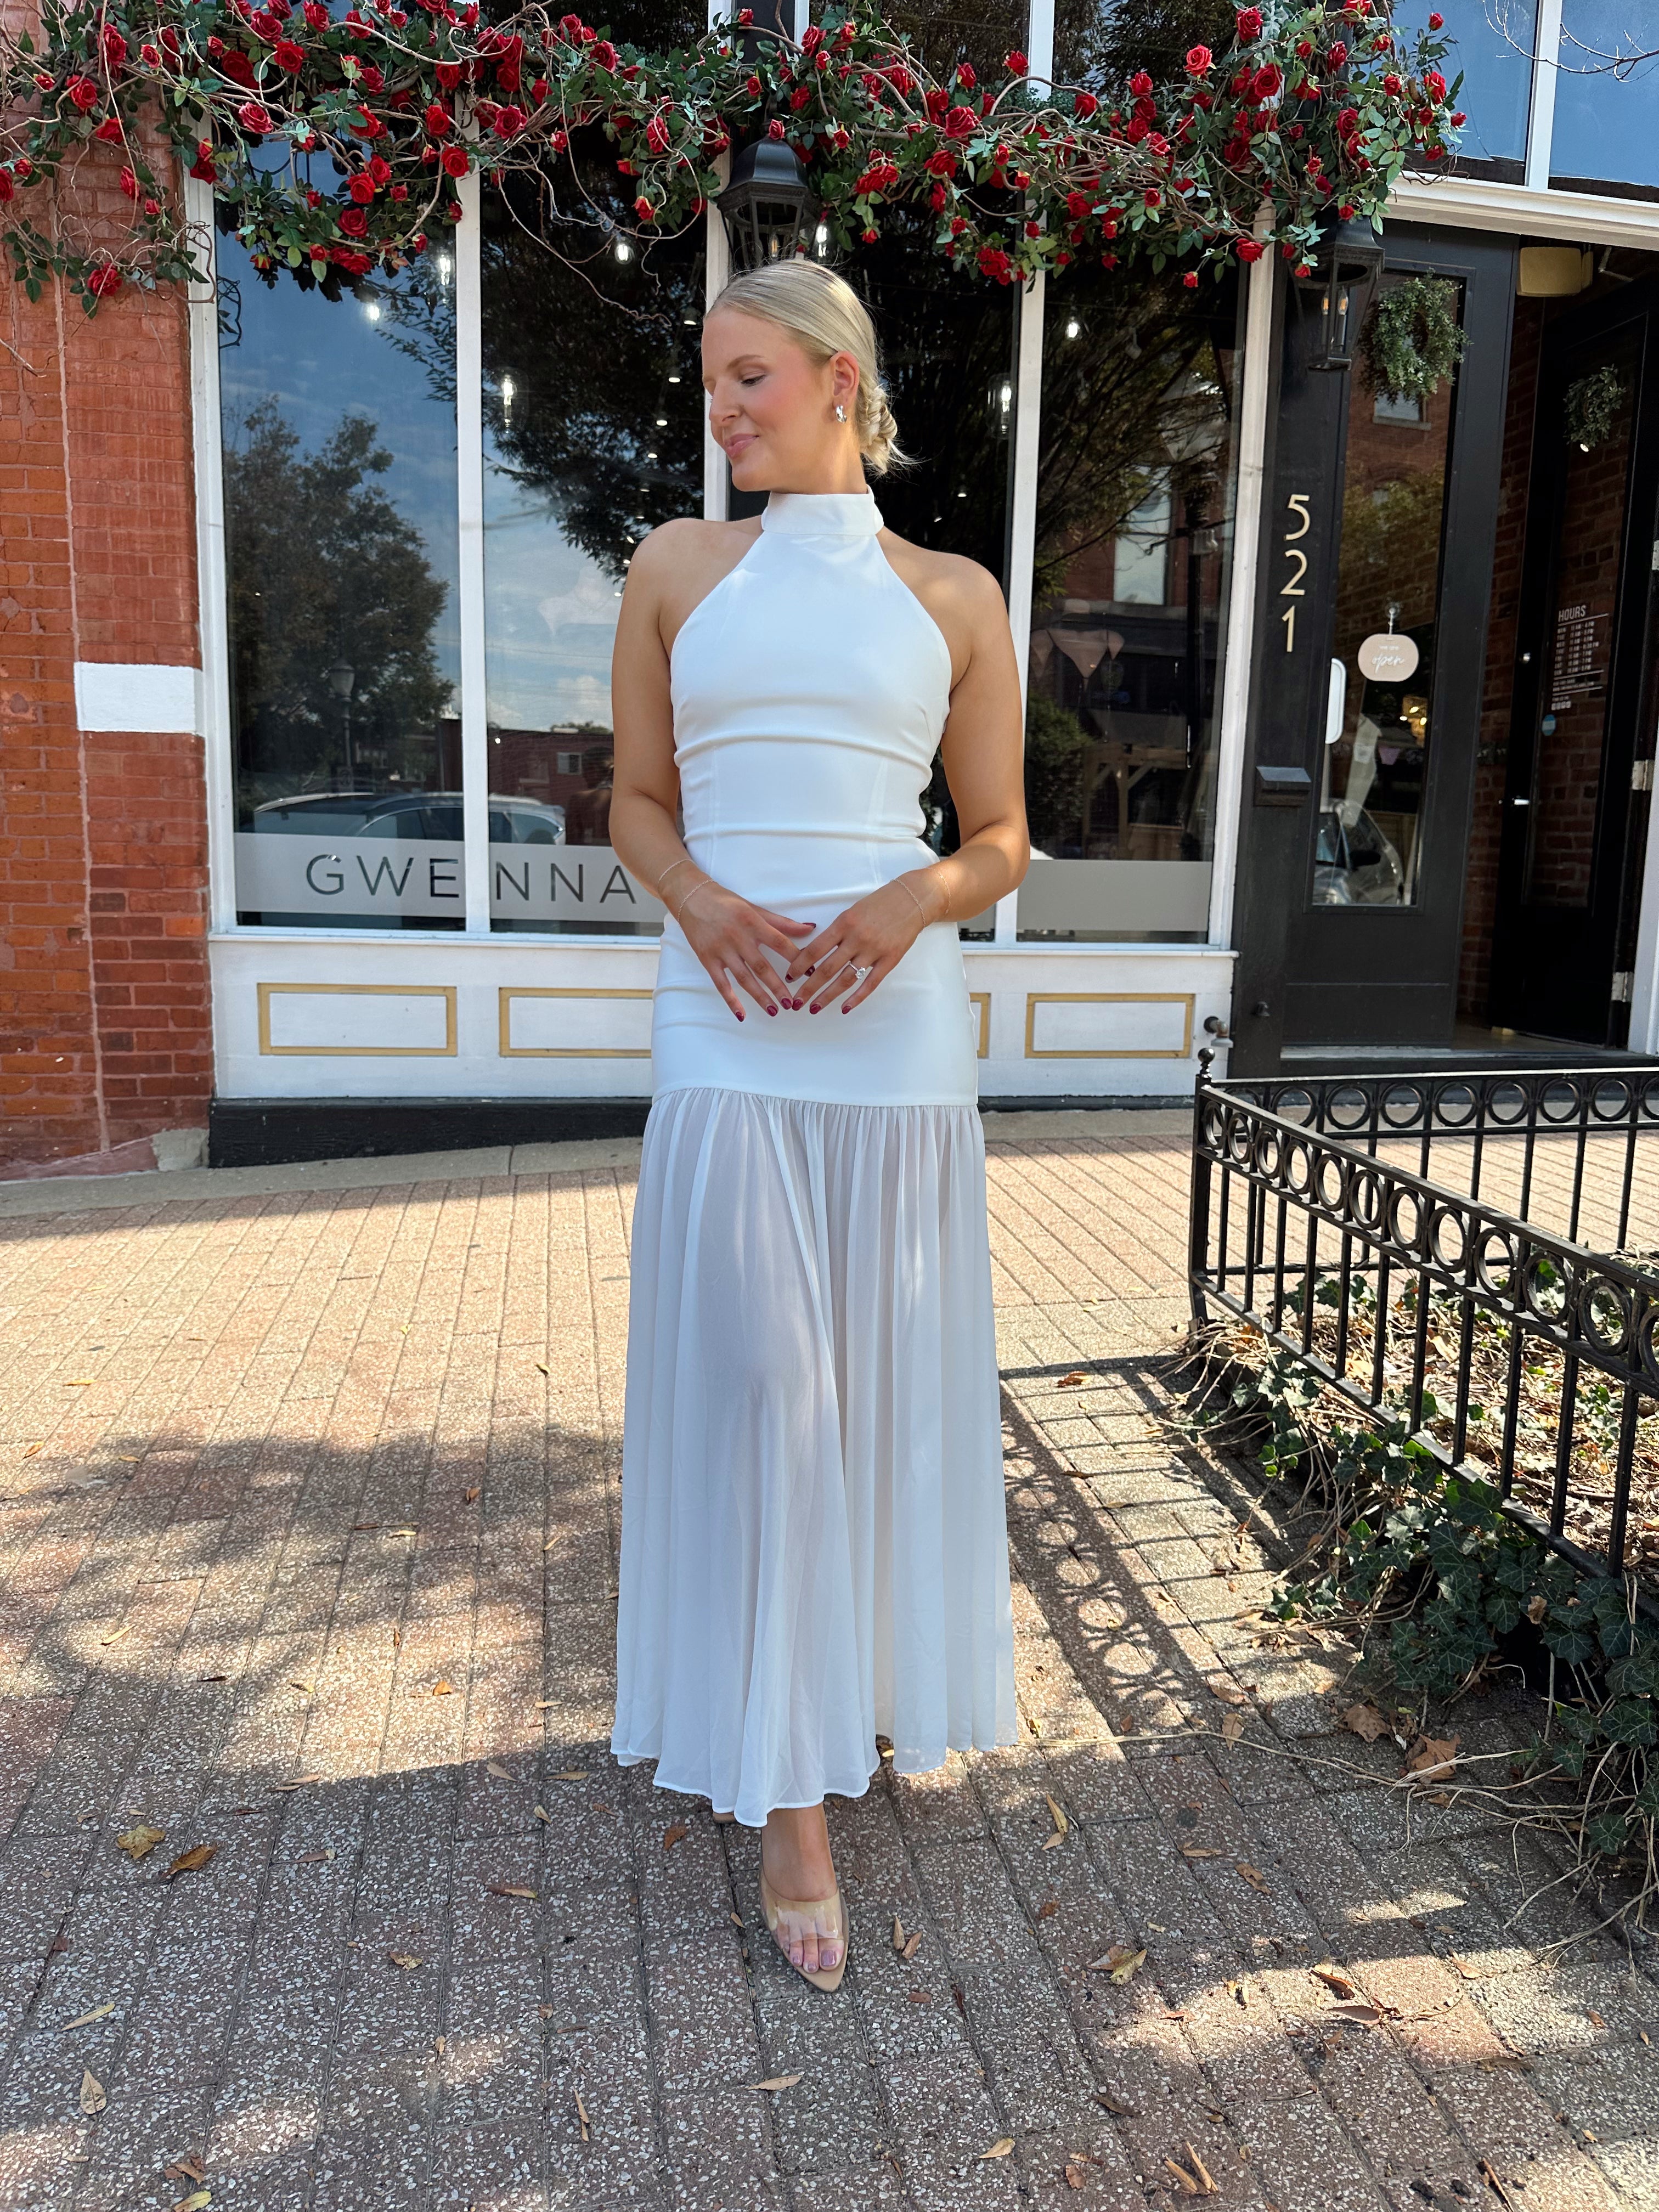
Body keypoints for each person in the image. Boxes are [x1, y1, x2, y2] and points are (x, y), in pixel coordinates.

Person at [607, 259, 1028, 1993]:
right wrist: (704, 910)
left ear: (842, 379)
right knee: (771, 1379)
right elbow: (636, 799)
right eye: (712, 381)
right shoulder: (675, 568)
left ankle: (828, 1693)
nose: (724, 409)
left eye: (752, 377)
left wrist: (903, 906)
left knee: (861, 1377)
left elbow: (1002, 836)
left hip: (890, 1033)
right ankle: (789, 1802)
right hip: (723, 1023)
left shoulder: (953, 593)